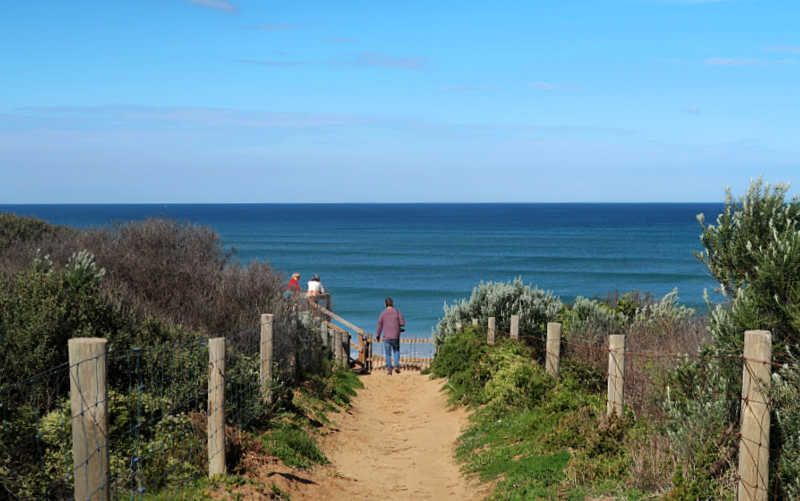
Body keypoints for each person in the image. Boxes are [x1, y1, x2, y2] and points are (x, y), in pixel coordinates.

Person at [376, 297, 405, 375]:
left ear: (385, 304)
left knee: (388, 353)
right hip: (395, 336)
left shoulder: (383, 313)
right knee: (396, 350)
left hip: (386, 336)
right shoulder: (397, 312)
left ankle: (389, 370)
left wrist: (377, 335)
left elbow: (379, 325)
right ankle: (396, 365)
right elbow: (402, 323)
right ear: (392, 303)